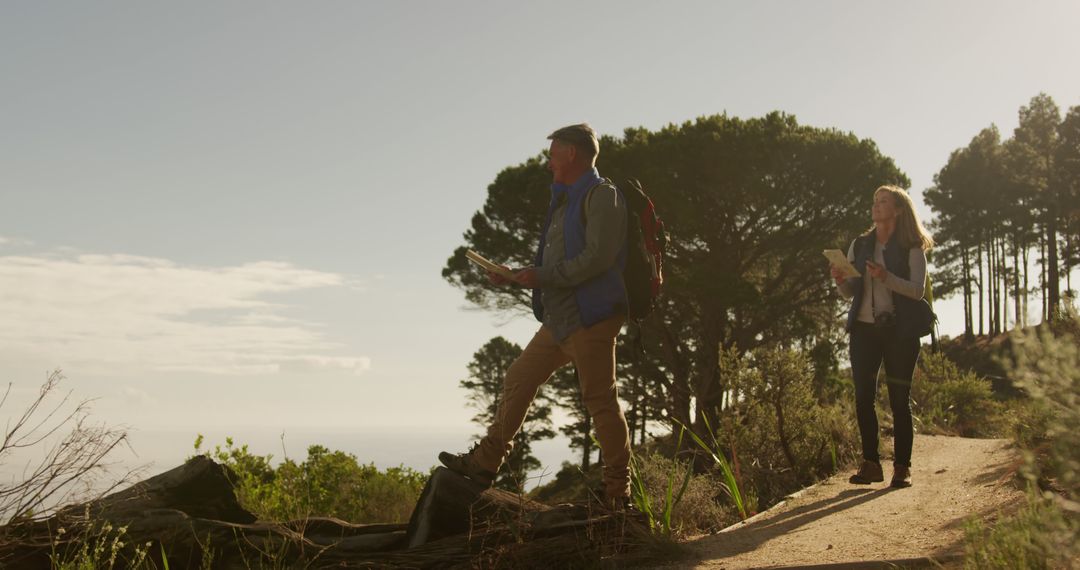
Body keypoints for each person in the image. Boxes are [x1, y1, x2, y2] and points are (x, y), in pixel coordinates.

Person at [439, 123, 633, 508]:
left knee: (600, 400)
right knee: (519, 377)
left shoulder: (602, 195)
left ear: (572, 154)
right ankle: (484, 463)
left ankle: (617, 492)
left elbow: (598, 258)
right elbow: (559, 263)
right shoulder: (564, 202)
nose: (548, 163)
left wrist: (538, 276)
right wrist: (516, 275)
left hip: (590, 318)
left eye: (553, 154)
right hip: (559, 318)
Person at [831, 185, 935, 489]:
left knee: (899, 399)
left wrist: (885, 277)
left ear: (899, 210)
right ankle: (871, 465)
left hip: (901, 332)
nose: (876, 205)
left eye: (883, 201)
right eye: (874, 200)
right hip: (863, 330)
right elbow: (850, 292)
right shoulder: (860, 245)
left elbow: (917, 290)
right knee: (863, 397)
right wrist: (840, 280)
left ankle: (902, 468)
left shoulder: (912, 247)